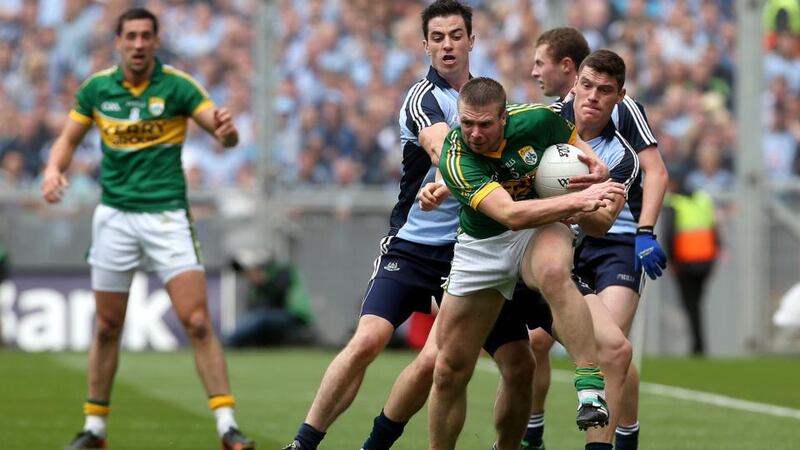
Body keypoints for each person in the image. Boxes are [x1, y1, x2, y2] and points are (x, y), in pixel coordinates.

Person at [282, 3, 544, 449]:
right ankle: (304, 442)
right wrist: (450, 178)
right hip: (416, 244)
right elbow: (442, 145)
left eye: (456, 35)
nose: (448, 44)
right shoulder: (423, 98)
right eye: (438, 37)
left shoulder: (489, 99)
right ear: (425, 45)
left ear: (471, 41)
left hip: (473, 248)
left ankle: (379, 444)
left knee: (503, 363)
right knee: (368, 340)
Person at [40, 8, 255, 450]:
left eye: (145, 37)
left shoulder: (177, 86)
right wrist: (52, 169)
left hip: (167, 216)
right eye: (130, 37)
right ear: (118, 42)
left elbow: (220, 131)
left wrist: (229, 134)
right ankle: (95, 428)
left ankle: (227, 426)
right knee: (106, 326)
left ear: (156, 42)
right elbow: (67, 140)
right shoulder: (97, 89)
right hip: (115, 217)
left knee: (196, 321)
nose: (138, 44)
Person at [429, 76, 625, 450]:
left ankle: (589, 389)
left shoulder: (538, 120)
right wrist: (577, 204)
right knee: (448, 370)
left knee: (554, 272)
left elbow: (581, 154)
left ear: (504, 117)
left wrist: (597, 172)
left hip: (539, 228)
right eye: (467, 123)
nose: (474, 133)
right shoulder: (457, 155)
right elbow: (509, 215)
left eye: (485, 124)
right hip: (483, 245)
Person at [526, 27, 669, 450]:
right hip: (567, 240)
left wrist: (644, 232)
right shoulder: (546, 121)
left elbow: (656, 172)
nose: (592, 96)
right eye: (586, 86)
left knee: (612, 345)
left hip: (618, 240)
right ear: (573, 83)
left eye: (604, 90)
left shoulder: (624, 137)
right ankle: (531, 430)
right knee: (536, 341)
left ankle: (617, 440)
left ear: (618, 95)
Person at [663, 169, 719, 356]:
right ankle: (699, 344)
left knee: (690, 304)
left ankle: (698, 346)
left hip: (684, 262)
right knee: (697, 303)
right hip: (706, 260)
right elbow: (714, 229)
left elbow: (669, 234)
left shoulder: (674, 202)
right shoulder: (704, 198)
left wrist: (670, 261)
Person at [224, 249, 314, 347]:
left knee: (259, 316)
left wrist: (263, 282)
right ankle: (228, 339)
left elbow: (279, 299)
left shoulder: (283, 272)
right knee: (255, 316)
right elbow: (255, 306)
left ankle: (228, 340)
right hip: (271, 317)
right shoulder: (256, 287)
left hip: (292, 316)